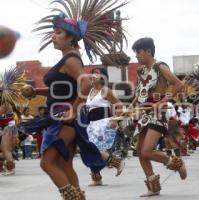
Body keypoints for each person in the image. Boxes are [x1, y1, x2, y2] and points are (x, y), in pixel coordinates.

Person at [23, 1, 129, 199]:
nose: (53, 36)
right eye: (54, 32)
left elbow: (86, 84)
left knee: (47, 163)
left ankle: (73, 197)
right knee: (64, 164)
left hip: (64, 117)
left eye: (58, 32)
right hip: (63, 116)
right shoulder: (68, 57)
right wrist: (36, 92)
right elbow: (62, 90)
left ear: (70, 37)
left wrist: (73, 109)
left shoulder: (70, 58)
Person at [127, 37, 186, 197]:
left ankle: (176, 163)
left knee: (147, 151)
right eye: (136, 53)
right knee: (140, 151)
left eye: (139, 52)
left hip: (157, 113)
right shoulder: (141, 71)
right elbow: (139, 93)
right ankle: (154, 187)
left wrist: (162, 101)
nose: (137, 56)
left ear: (148, 51)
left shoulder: (160, 66)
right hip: (143, 112)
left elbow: (178, 84)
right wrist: (130, 108)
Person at [86, 67, 125, 186]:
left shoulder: (105, 90)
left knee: (94, 148)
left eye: (96, 74)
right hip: (92, 124)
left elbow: (119, 104)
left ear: (103, 77)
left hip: (104, 122)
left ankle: (117, 162)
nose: (93, 75)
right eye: (92, 73)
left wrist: (115, 119)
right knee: (89, 150)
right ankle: (96, 178)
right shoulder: (90, 91)